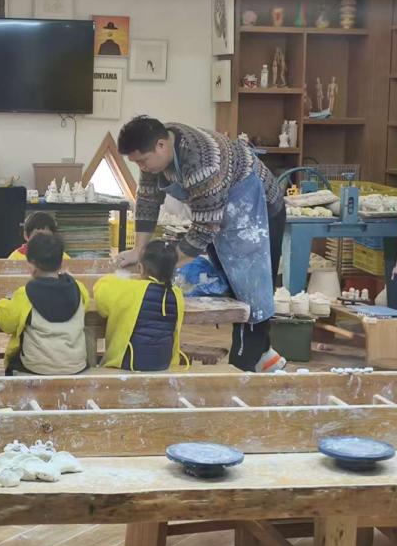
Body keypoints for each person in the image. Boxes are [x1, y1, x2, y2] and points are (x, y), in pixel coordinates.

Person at [116, 115, 286, 372]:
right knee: (228, 280)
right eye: (136, 162)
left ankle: (243, 368)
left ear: (161, 145)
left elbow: (205, 229)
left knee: (248, 290)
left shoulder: (200, 161)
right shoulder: (154, 153)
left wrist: (164, 266)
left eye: (142, 161)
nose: (142, 167)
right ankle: (265, 356)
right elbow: (149, 199)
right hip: (220, 209)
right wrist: (138, 250)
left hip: (256, 206)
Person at [0, 232, 89, 375]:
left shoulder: (25, 294)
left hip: (36, 367)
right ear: (61, 262)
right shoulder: (79, 289)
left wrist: (0, 304)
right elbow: (84, 307)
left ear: (32, 265)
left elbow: (7, 323)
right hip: (75, 366)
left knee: (12, 364)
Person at [94, 239, 187, 371]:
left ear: (140, 268)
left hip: (127, 364)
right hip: (163, 364)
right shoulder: (177, 294)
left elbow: (100, 294)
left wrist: (120, 274)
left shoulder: (129, 289)